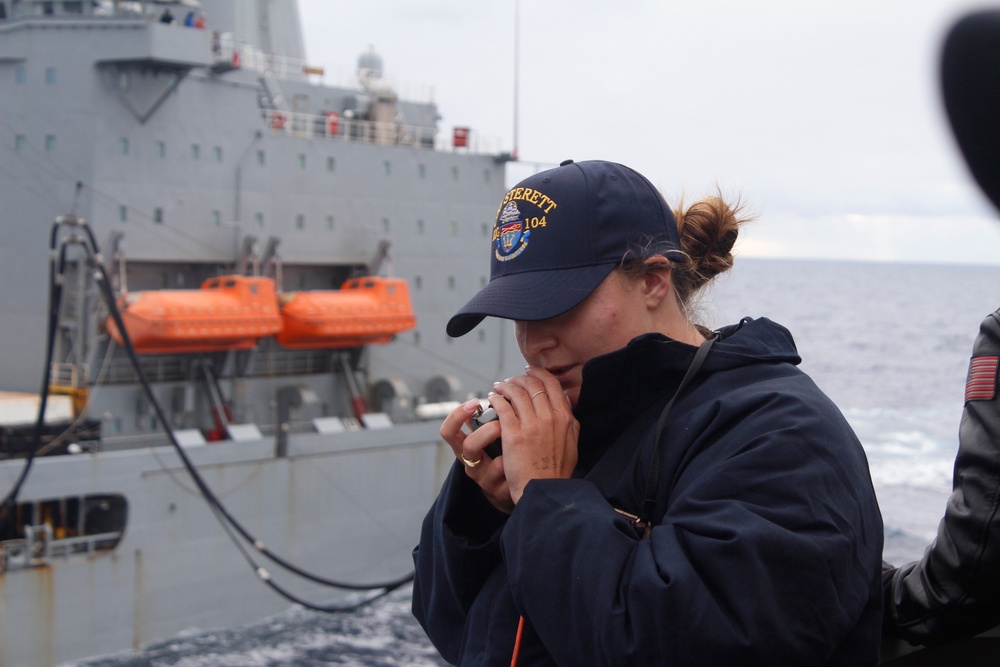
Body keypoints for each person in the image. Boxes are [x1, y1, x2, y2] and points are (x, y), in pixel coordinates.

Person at [411, 159, 884, 665]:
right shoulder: (566, 422)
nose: (534, 343)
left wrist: (546, 499)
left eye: (556, 306)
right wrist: (483, 508)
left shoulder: (785, 435)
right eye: (518, 316)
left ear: (655, 281)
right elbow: (451, 625)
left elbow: (696, 644)